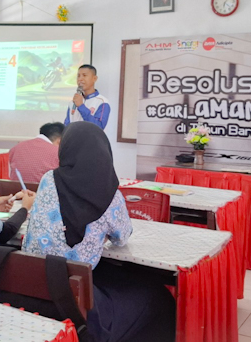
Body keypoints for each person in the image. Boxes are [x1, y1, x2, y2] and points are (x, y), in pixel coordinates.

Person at [23, 122, 175, 342]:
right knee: (156, 296)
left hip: (32, 287)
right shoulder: (108, 193)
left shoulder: (49, 179)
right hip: (77, 302)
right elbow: (122, 237)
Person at [64, 64, 111, 130]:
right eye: (78, 76)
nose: (80, 79)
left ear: (94, 78)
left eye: (84, 75)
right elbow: (66, 126)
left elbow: (99, 127)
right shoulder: (73, 102)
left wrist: (81, 106)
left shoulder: (102, 102)